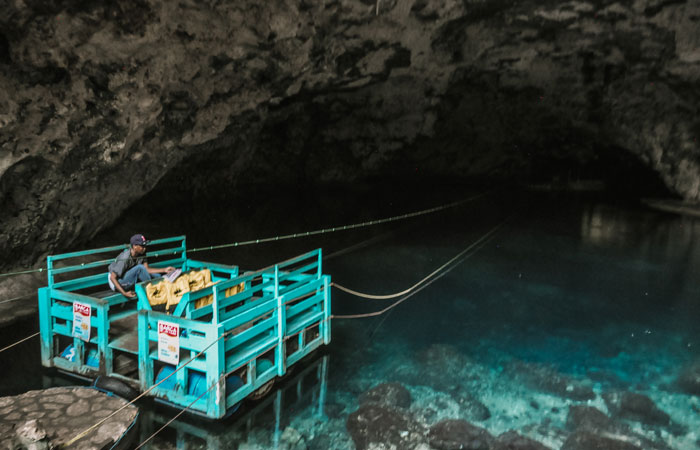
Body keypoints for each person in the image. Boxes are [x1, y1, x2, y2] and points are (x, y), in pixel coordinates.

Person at [108, 234, 175, 298]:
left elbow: (147, 269)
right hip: (116, 283)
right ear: (134, 246)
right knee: (140, 268)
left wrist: (164, 270)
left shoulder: (141, 253)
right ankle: (152, 292)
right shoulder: (125, 258)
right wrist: (124, 293)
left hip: (126, 276)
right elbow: (112, 277)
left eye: (145, 246)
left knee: (157, 276)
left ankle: (162, 291)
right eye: (142, 246)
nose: (144, 248)